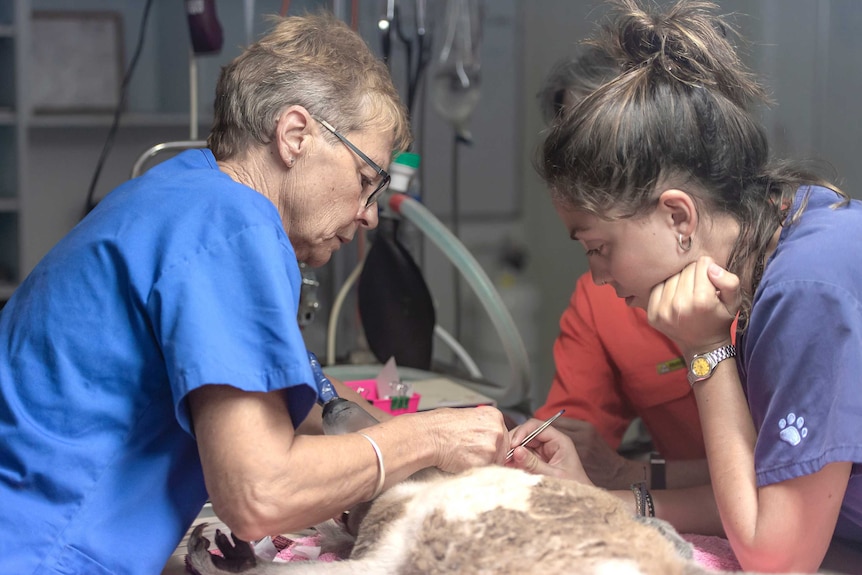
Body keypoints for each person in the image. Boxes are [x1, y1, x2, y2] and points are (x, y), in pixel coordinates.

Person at [0, 12, 509, 575]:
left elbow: (301, 399)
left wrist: (388, 448)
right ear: (295, 136)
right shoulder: (232, 224)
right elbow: (259, 494)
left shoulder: (182, 194)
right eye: (367, 180)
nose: (368, 216)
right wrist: (430, 436)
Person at [512, 0, 862, 571]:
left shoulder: (804, 290)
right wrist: (610, 499)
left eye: (598, 248)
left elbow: (778, 555)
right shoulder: (776, 235)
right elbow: (763, 485)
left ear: (679, 216)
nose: (599, 277)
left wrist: (706, 353)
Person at [534, 45, 715, 490]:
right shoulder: (601, 298)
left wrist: (633, 477)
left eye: (600, 146)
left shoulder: (769, 275)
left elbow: (782, 478)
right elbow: (571, 442)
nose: (584, 171)